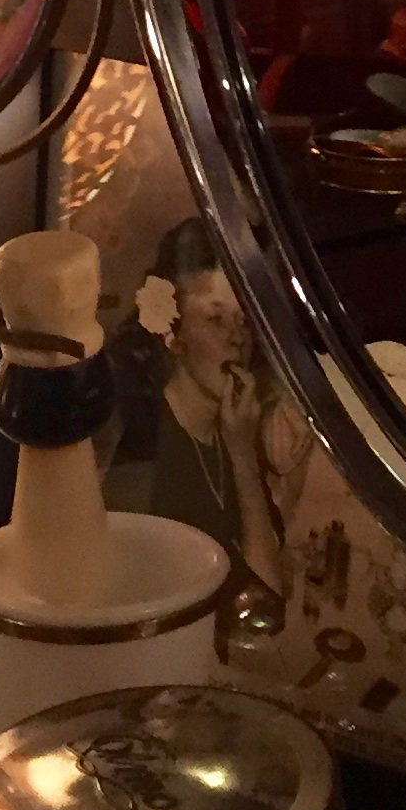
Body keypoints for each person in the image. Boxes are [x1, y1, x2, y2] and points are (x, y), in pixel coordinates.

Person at [123, 221, 293, 621]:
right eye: (216, 320)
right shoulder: (146, 446)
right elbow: (264, 602)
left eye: (245, 320)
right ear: (173, 333)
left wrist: (242, 449)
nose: (237, 339)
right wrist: (243, 452)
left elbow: (270, 596)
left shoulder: (233, 425)